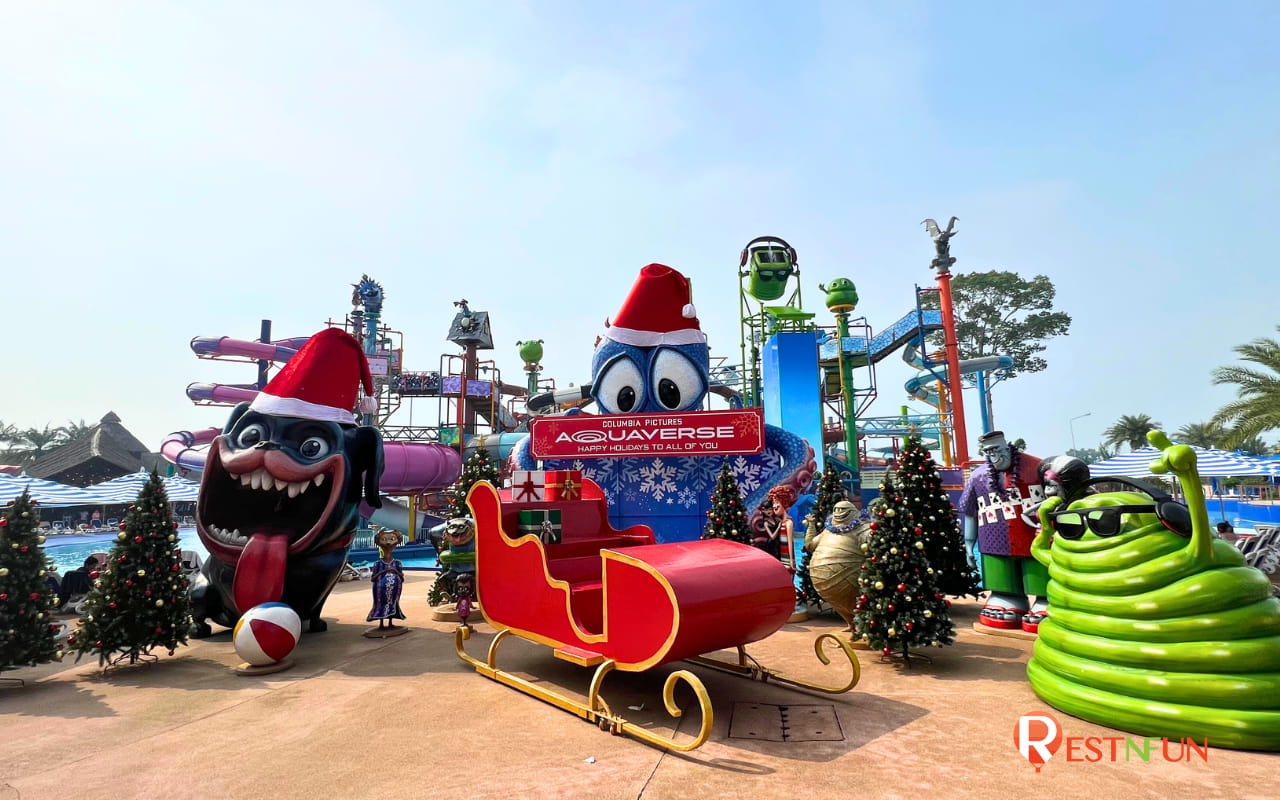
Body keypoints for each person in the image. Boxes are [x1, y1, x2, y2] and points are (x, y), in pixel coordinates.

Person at [958, 430, 1050, 633]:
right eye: (988, 451)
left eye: (997, 449)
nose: (994, 455)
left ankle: (1045, 598)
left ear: (1006, 446)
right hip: (993, 535)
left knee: (1037, 561)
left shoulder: (1038, 467)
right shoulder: (978, 476)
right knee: (999, 566)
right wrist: (968, 544)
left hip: (1034, 534)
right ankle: (1006, 596)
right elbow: (970, 512)